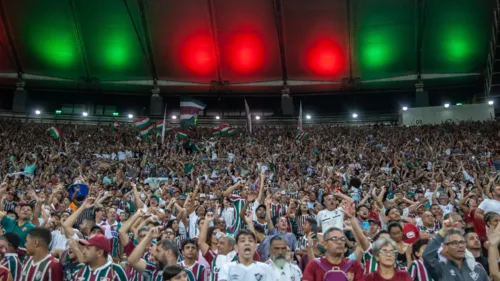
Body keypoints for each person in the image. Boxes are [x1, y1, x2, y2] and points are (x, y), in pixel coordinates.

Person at [422, 219, 489, 281]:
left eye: (462, 242)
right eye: (455, 243)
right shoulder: (441, 269)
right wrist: (442, 232)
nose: (460, 246)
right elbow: (427, 256)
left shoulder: (478, 270)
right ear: (445, 247)